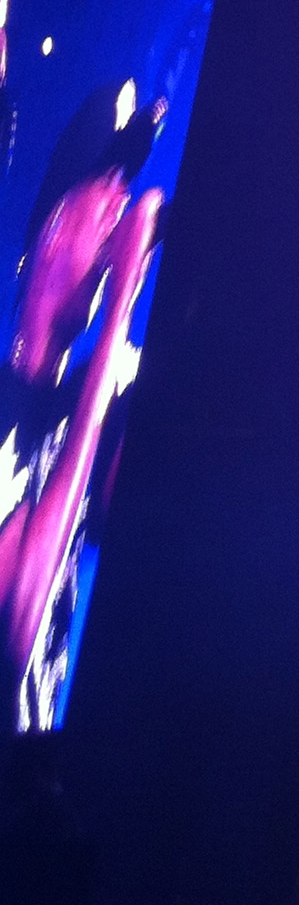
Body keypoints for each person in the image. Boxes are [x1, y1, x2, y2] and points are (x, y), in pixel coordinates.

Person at [0, 82, 162, 729]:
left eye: (127, 189)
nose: (121, 209)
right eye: (108, 182)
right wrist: (118, 308)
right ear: (52, 226)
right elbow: (13, 629)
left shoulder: (97, 404)